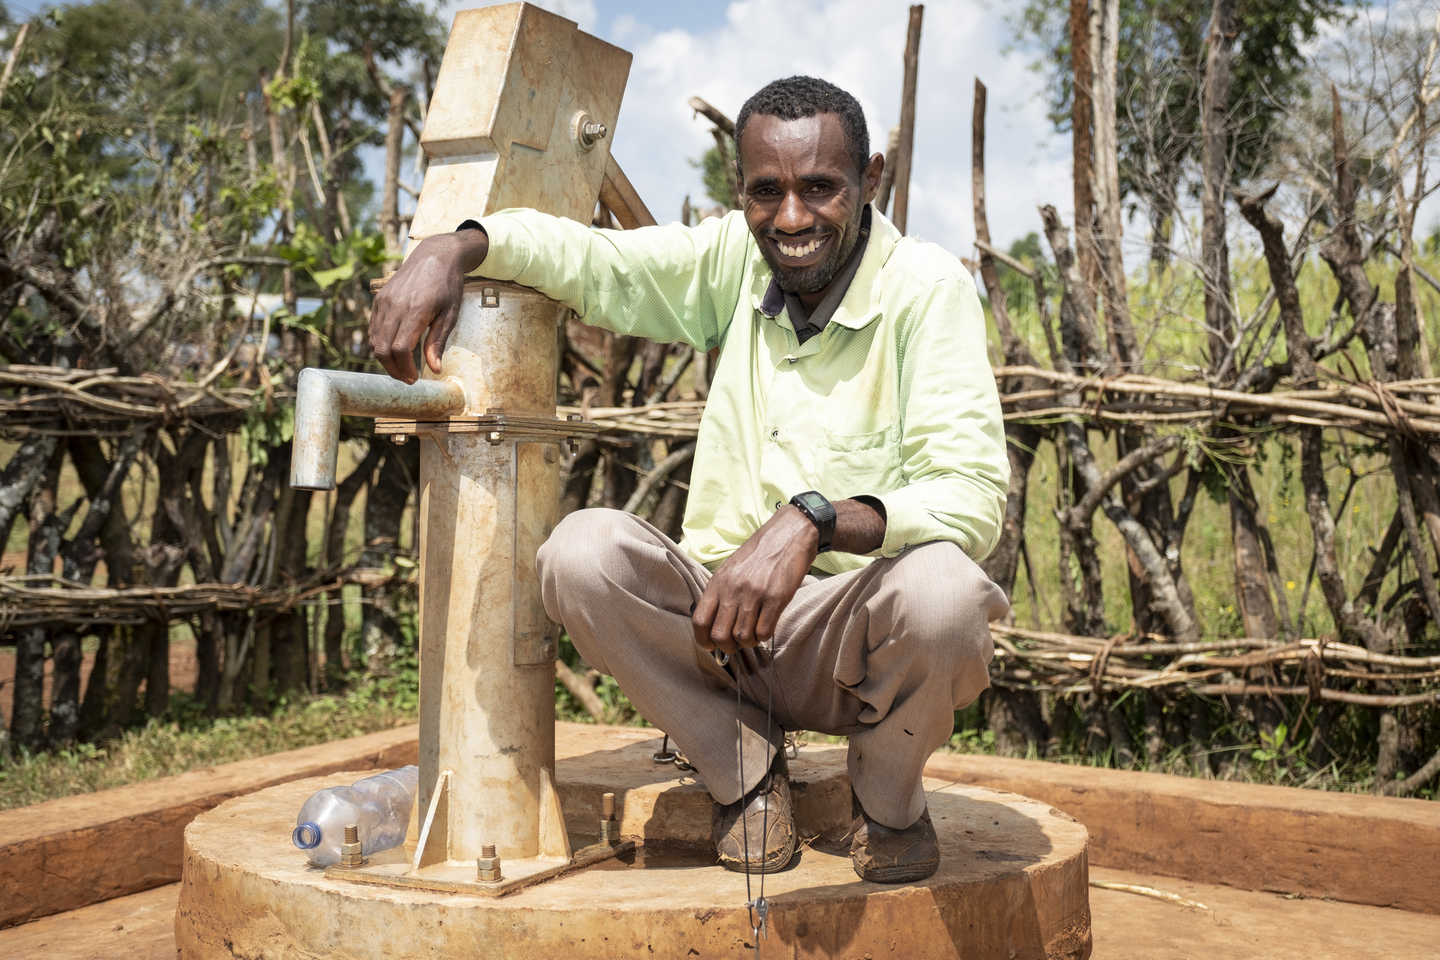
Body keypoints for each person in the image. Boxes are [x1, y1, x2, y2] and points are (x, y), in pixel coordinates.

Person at [368, 76, 1009, 884]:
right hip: (721, 634)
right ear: (740, 190)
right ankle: (744, 773)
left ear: (870, 179)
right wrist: (454, 247)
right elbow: (593, 261)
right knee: (579, 555)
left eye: (820, 188)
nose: (791, 219)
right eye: (767, 192)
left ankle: (887, 801)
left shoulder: (926, 290)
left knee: (949, 595)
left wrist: (810, 521)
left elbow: (970, 495)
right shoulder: (733, 261)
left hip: (851, 638)